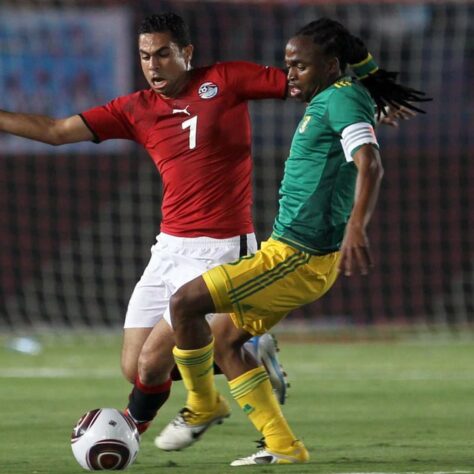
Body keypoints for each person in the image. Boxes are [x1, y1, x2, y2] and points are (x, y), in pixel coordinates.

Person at [0, 12, 413, 443]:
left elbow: (310, 80)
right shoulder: (134, 109)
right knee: (136, 365)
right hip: (169, 248)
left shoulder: (227, 79)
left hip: (222, 247)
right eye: (145, 56)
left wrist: (372, 95)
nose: (153, 65)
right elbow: (54, 130)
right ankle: (243, 349)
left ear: (186, 53)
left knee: (151, 364)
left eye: (163, 54)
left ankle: (134, 430)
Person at [158, 18, 431, 466]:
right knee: (225, 343)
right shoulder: (340, 94)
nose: (291, 76)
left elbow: (371, 163)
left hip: (297, 257)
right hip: (287, 254)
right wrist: (374, 90)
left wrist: (356, 226)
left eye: (301, 66)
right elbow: (360, 84)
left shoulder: (341, 99)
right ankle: (284, 446)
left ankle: (204, 405)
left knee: (185, 304)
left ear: (331, 65)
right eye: (288, 65)